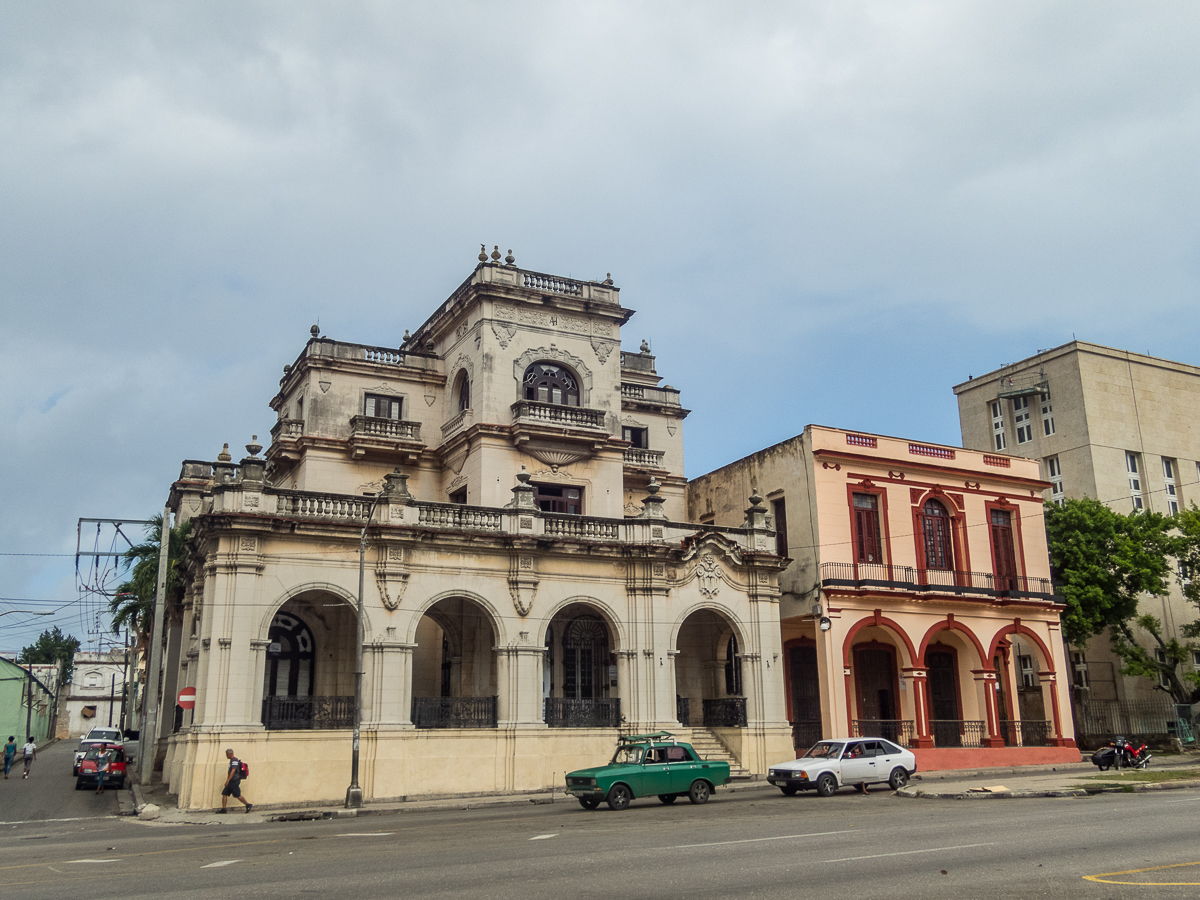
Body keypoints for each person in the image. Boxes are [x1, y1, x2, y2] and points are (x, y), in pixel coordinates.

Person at [218, 748, 252, 813]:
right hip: (231, 781)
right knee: (224, 793)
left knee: (237, 795)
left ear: (231, 754)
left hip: (234, 781)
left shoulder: (235, 761)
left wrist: (227, 780)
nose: (226, 756)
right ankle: (224, 809)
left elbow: (233, 771)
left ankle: (248, 804)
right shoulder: (232, 760)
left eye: (227, 754)